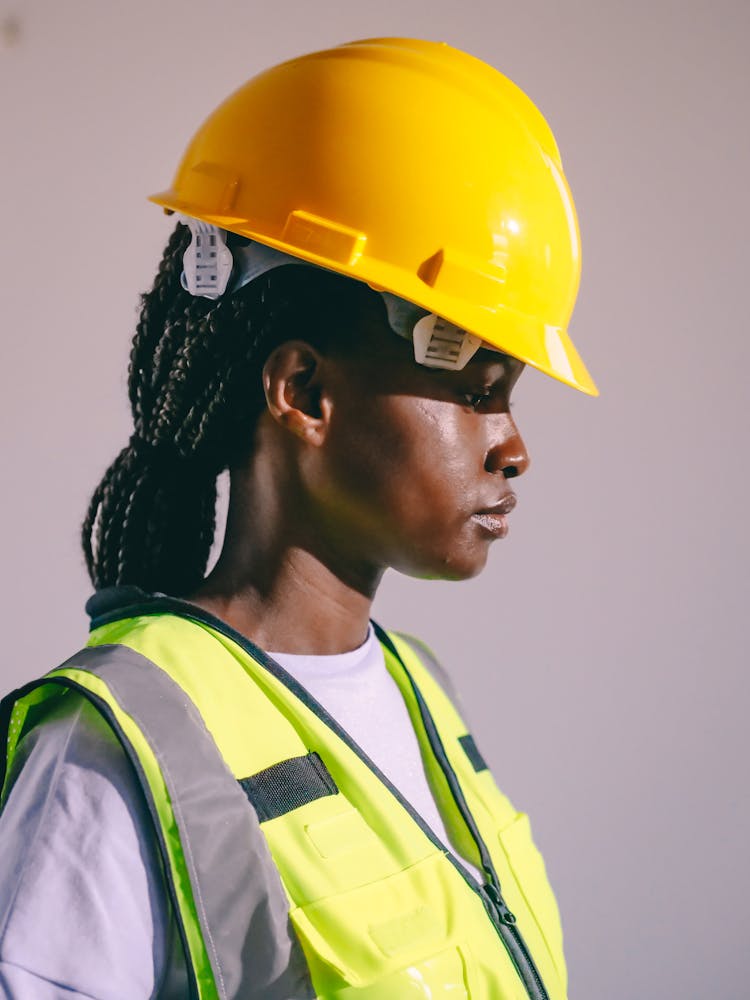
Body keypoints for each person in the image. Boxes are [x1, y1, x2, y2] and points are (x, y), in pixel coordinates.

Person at [0, 37, 597, 1000]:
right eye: (480, 392)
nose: (513, 446)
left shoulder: (419, 694)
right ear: (306, 393)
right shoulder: (117, 749)